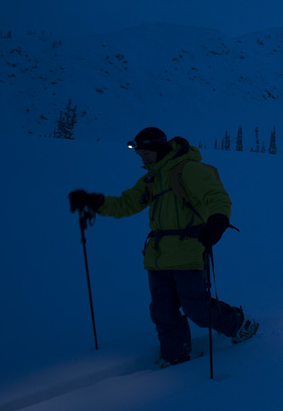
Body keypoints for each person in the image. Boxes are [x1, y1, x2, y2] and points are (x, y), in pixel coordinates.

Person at [68, 126, 258, 367]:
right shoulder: (151, 178)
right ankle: (176, 354)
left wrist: (218, 221)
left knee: (197, 309)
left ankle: (240, 324)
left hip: (189, 251)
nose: (143, 158)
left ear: (159, 149)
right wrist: (94, 202)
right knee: (162, 311)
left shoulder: (188, 170)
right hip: (158, 256)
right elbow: (125, 204)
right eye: (140, 154)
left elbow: (217, 196)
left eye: (146, 153)